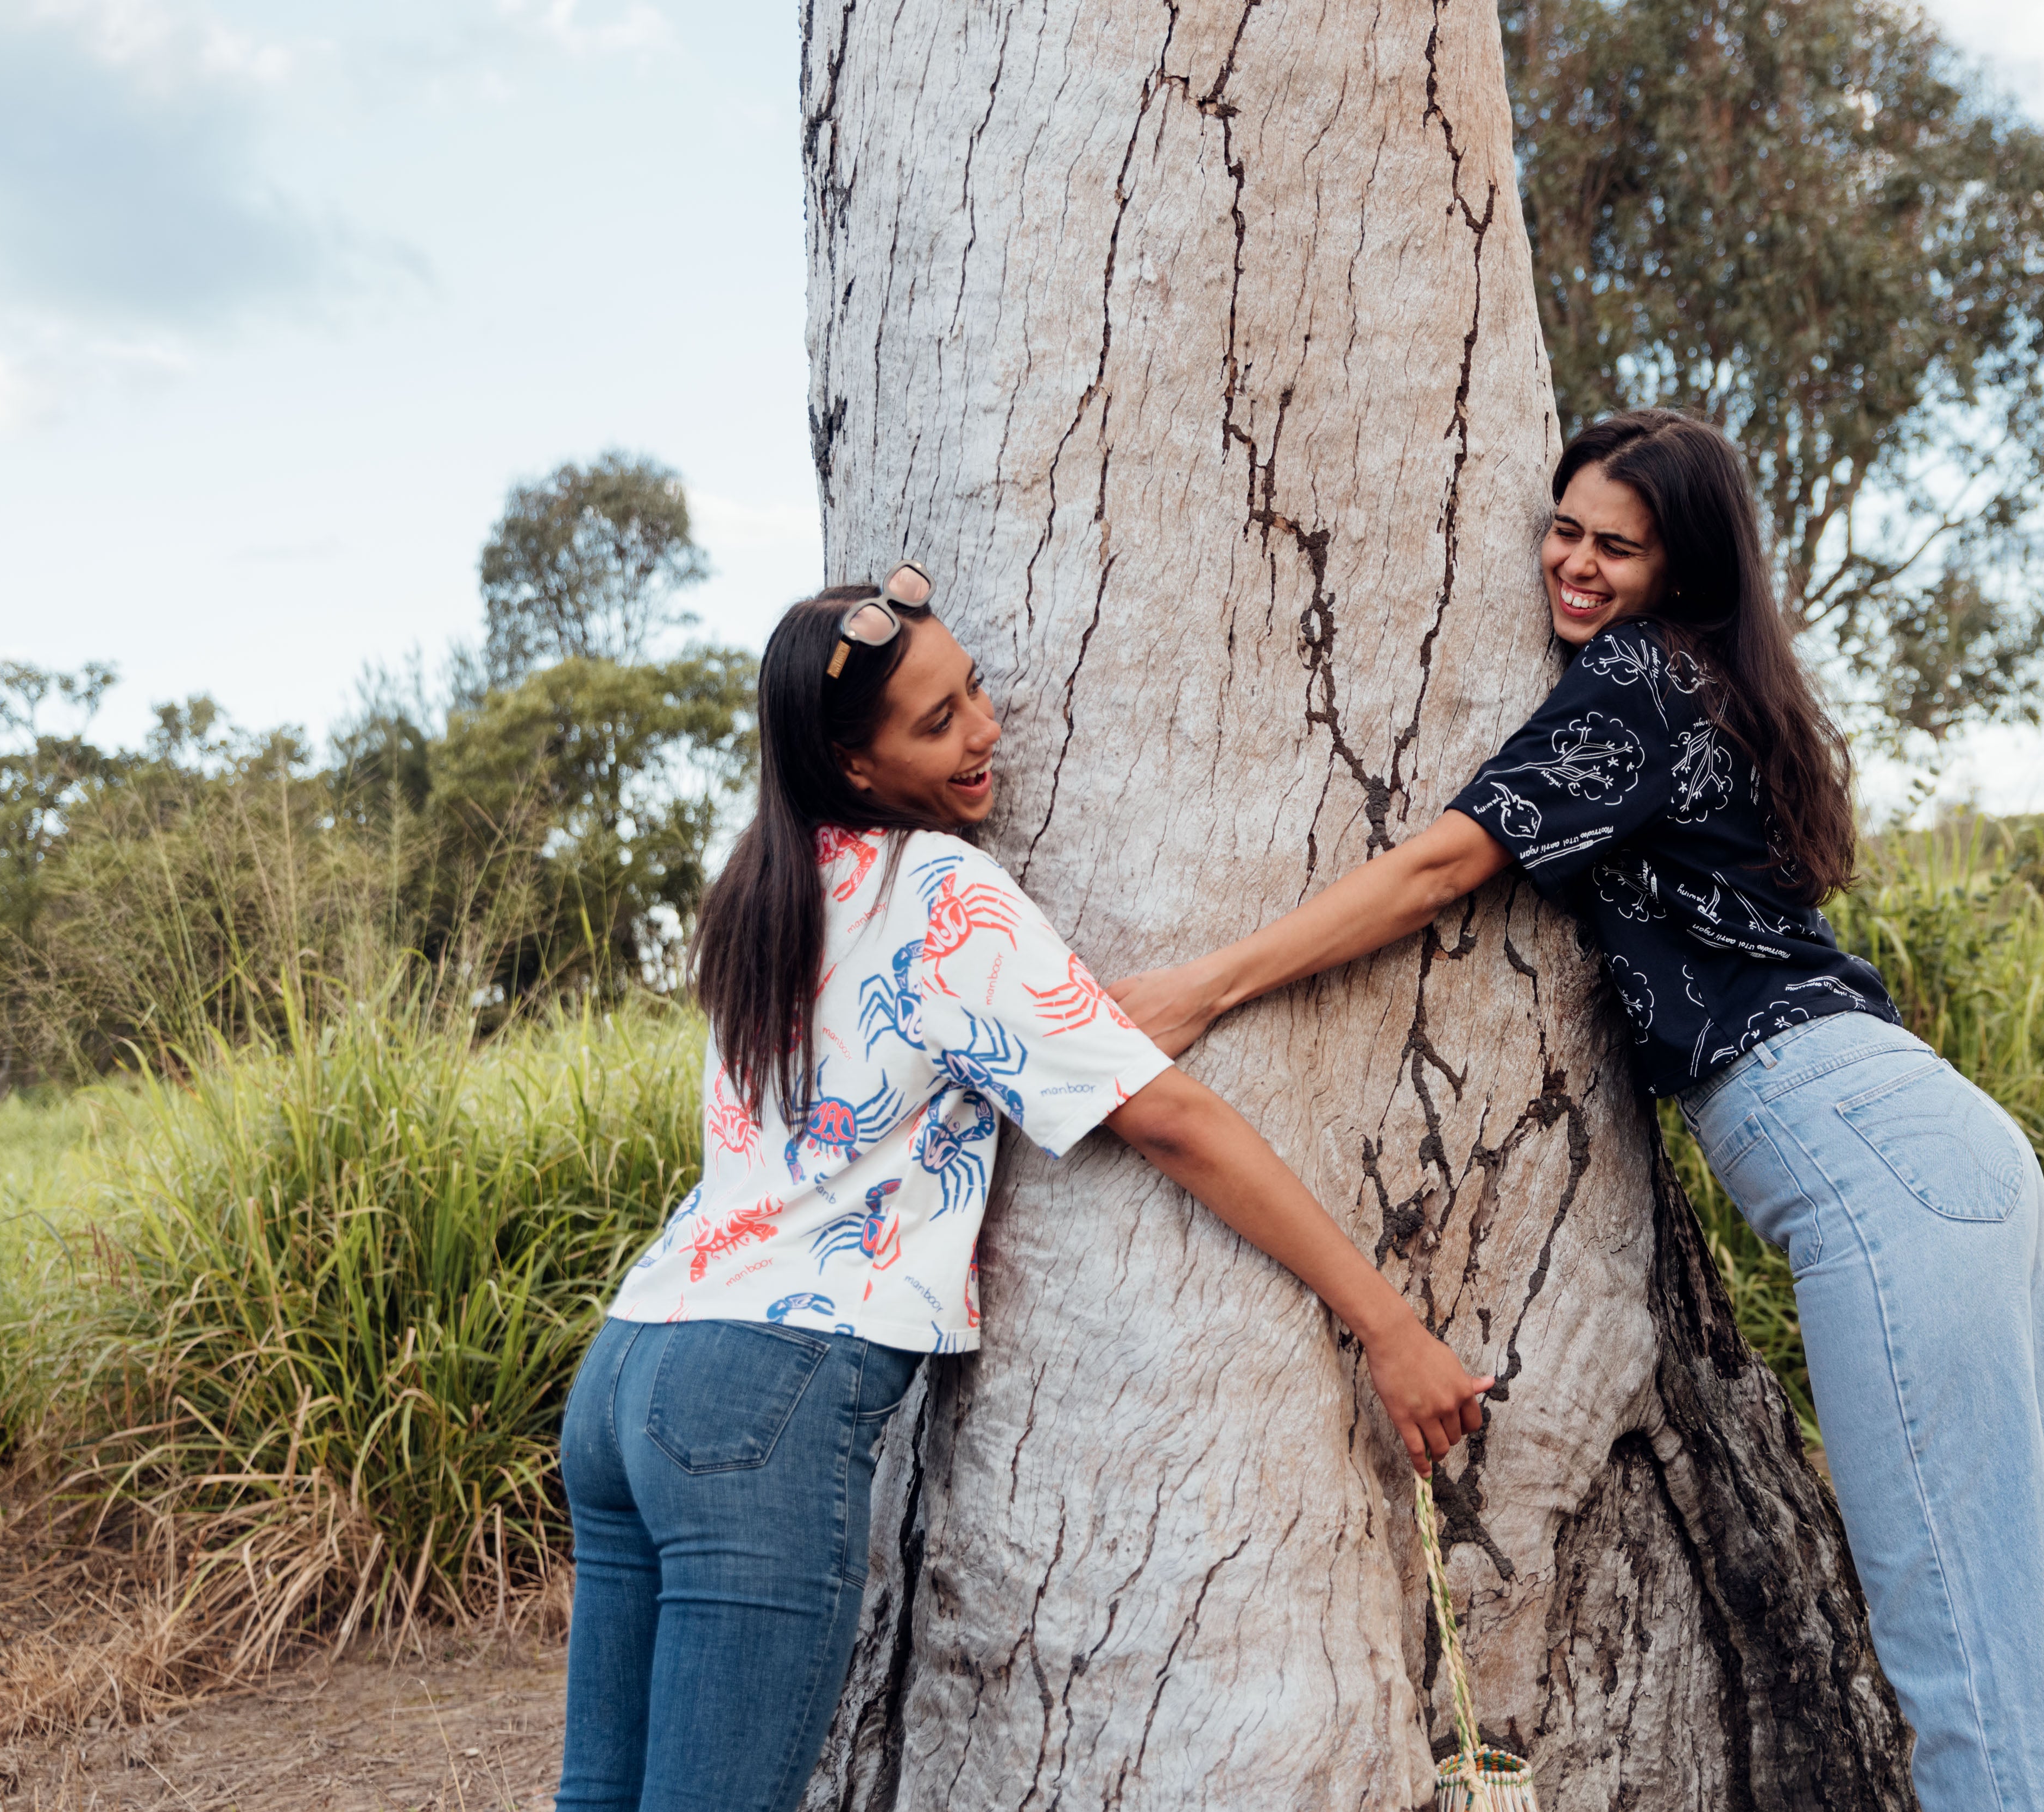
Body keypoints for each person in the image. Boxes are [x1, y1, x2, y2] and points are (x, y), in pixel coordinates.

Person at [1111, 412, 2044, 1811]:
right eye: (1561, 529)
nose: (1572, 564)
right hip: (1929, 1137)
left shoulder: (1636, 680)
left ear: (1680, 567)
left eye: (1613, 545)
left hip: (1868, 1150)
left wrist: (1207, 985)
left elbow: (1441, 866)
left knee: (1958, 1622)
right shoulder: (1715, 684)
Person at [552, 568, 1494, 1812]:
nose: (985, 729)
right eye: (936, 724)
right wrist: (1387, 1320)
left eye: (973, 690)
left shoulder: (759, 899)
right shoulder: (940, 893)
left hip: (628, 1372)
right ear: (851, 763)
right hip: (760, 1399)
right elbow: (1169, 1120)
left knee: (597, 1800)